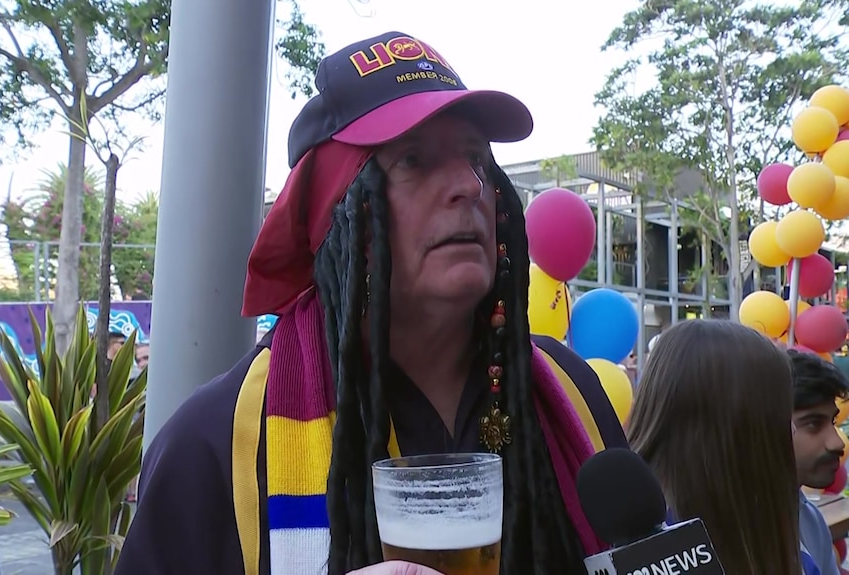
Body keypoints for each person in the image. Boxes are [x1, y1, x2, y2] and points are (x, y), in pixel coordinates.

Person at [115, 31, 627, 575]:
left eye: (477, 157)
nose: (468, 184)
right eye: (413, 159)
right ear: (336, 217)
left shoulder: (571, 391)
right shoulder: (215, 442)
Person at [627, 320, 803, 575]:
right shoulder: (651, 553)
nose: (792, 430)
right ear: (740, 424)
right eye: (781, 414)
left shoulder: (762, 527)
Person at [788, 349, 849, 575]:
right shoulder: (704, 535)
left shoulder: (810, 519)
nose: (837, 443)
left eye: (833, 421)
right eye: (813, 423)